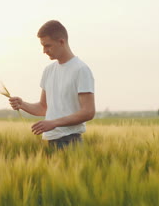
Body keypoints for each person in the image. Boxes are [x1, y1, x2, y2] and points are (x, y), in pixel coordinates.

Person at [9, 20, 95, 149]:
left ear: (61, 42)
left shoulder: (81, 69)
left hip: (70, 142)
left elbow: (88, 112)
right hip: (49, 141)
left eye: (47, 45)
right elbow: (44, 107)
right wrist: (22, 104)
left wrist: (54, 123)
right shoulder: (48, 70)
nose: (44, 51)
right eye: (43, 46)